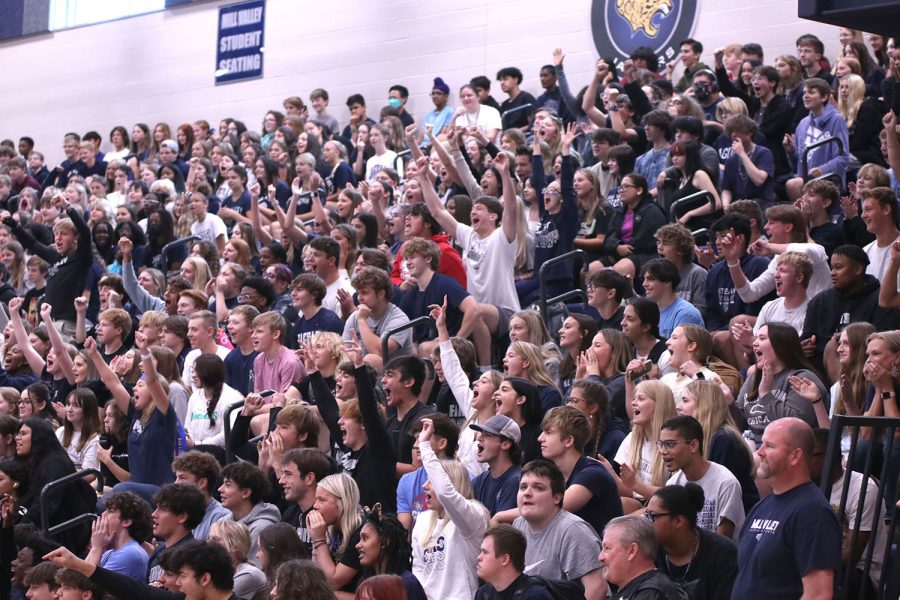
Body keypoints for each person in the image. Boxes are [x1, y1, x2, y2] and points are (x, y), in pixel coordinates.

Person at [732, 418, 841, 600]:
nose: (760, 452)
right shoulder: (762, 506)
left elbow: (818, 594)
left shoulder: (813, 513)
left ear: (795, 456)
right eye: (762, 445)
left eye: (770, 446)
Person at [412, 418, 489, 600]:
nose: (424, 486)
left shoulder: (472, 516)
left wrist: (425, 446)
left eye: (431, 480)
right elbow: (418, 571)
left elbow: (447, 495)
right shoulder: (423, 520)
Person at [512, 460, 606, 600]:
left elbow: (597, 588)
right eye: (523, 487)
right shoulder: (518, 525)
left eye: (538, 488)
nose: (527, 493)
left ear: (557, 497)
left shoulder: (573, 531)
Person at [810, 428, 888, 596]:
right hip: (819, 564)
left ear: (829, 456)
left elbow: (850, 556)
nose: (801, 461)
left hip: (860, 574)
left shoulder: (863, 488)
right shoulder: (805, 486)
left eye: (810, 455)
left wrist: (803, 561)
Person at [13, 418, 96, 552]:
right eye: (18, 434)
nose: (17, 438)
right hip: (45, 524)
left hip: (62, 531)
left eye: (23, 433)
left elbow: (46, 505)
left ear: (38, 436)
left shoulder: (55, 463)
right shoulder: (36, 461)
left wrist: (18, 529)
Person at [538, 406, 623, 536]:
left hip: (604, 552)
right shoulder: (555, 474)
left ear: (568, 441)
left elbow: (554, 509)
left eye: (548, 432)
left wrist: (500, 516)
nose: (540, 438)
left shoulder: (592, 472)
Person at [658, 416, 745, 540]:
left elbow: (722, 541)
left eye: (670, 444)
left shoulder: (726, 482)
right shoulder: (673, 484)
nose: (663, 451)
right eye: (661, 444)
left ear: (693, 445)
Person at [649, 484, 738, 599]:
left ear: (678, 521)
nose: (647, 522)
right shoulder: (648, 548)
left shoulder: (722, 553)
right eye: (647, 514)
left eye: (653, 516)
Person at [784, 78, 850, 201]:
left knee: (793, 184)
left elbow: (843, 158)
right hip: (805, 178)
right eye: (804, 93)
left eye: (811, 92)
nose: (806, 96)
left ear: (824, 97)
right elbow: (798, 163)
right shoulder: (803, 123)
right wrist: (791, 151)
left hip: (829, 180)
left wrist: (823, 169)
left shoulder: (836, 120)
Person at [600, 516, 689, 600]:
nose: (600, 557)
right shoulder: (635, 589)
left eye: (607, 548)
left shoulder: (652, 593)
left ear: (632, 551)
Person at [308, 473, 364, 594]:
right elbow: (316, 578)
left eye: (322, 500)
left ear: (342, 503)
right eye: (316, 499)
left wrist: (319, 540)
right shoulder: (333, 529)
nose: (315, 506)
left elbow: (333, 583)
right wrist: (315, 539)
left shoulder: (360, 533)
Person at [355, 506, 427, 600]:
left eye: (365, 538)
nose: (357, 545)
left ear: (385, 541)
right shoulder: (364, 581)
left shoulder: (406, 583)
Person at [474, 525, 561, 600]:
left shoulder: (535, 596)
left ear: (505, 559)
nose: (478, 557)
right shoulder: (483, 593)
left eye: (485, 552)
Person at [217, 462, 281, 565]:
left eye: (228, 485)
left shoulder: (262, 528)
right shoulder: (222, 522)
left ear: (246, 493)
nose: (220, 489)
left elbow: (253, 570)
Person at [146, 483, 207, 583]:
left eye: (163, 509)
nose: (154, 514)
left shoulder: (193, 555)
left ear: (182, 517)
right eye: (156, 508)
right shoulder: (158, 551)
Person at [85, 491, 152, 580]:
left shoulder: (130, 553)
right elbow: (76, 580)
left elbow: (84, 586)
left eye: (110, 511)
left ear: (126, 521)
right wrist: (96, 548)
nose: (103, 514)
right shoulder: (110, 553)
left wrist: (96, 547)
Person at [470, 415, 523, 517]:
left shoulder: (516, 480)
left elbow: (501, 529)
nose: (479, 438)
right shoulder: (480, 481)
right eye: (481, 434)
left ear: (505, 444)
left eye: (488, 435)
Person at [640, 259, 704, 340]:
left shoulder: (686, 314)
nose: (644, 284)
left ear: (667, 282)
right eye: (644, 279)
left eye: (651, 279)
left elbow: (683, 350)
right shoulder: (650, 311)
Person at [207, 520, 267, 600]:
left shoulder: (248, 574)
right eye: (209, 538)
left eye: (216, 539)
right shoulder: (220, 570)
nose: (208, 543)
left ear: (235, 546)